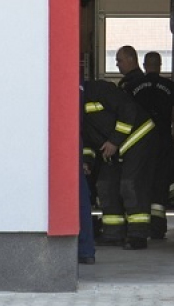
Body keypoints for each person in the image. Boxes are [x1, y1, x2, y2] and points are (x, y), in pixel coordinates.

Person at [82, 79, 156, 250]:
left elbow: (127, 109)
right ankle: (113, 234)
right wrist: (87, 161)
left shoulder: (99, 89)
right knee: (105, 184)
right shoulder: (75, 106)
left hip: (138, 136)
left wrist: (115, 141)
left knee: (130, 184)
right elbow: (87, 139)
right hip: (112, 148)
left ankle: (138, 235)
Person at [126, 51, 174, 239]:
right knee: (160, 183)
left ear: (144, 64)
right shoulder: (171, 87)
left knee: (141, 181)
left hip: (139, 140)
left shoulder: (132, 86)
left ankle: (139, 225)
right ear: (160, 65)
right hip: (163, 140)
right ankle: (158, 227)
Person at [78, 80, 96, 265]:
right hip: (75, 139)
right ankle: (86, 250)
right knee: (81, 198)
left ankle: (84, 250)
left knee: (79, 197)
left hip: (66, 139)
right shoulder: (81, 86)